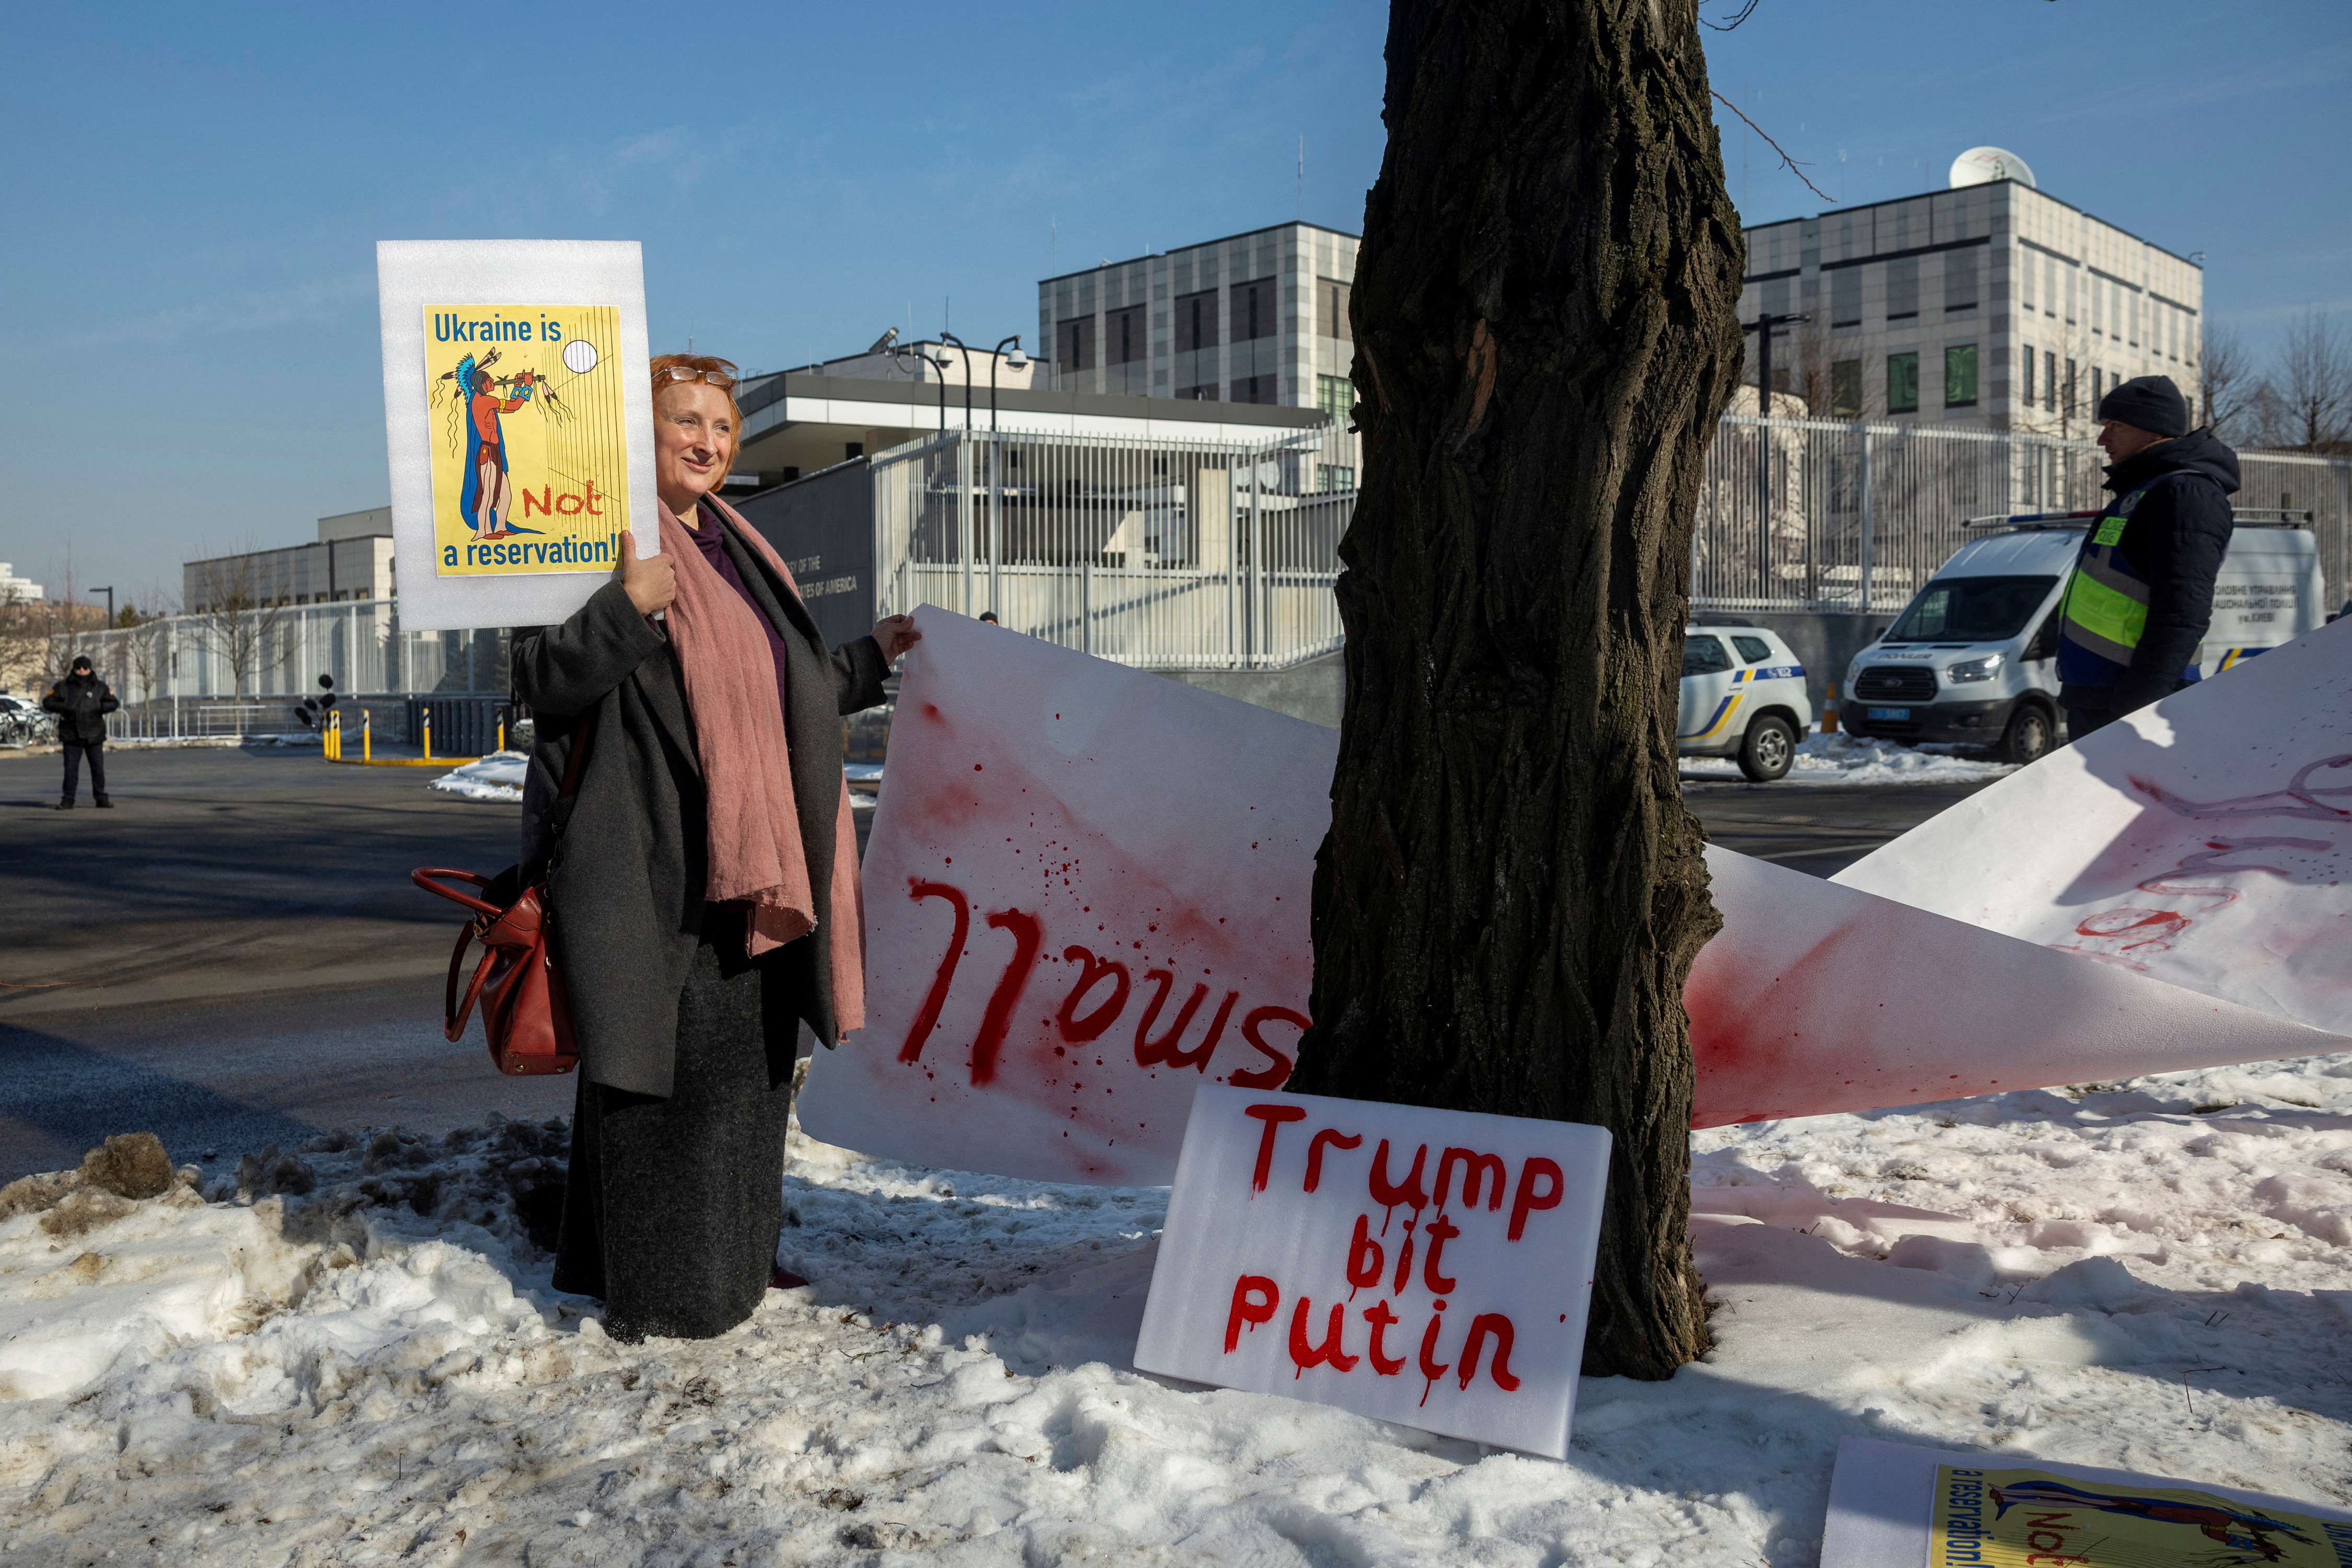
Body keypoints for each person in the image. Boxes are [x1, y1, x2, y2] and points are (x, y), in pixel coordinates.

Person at [513, 353, 918, 1342]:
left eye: (723, 429)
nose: (709, 442)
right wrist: (624, 604)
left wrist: (874, 655)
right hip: (654, 857)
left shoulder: (736, 541)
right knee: (660, 1074)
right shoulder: (591, 537)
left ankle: (733, 1251)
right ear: (634, 436)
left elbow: (783, 686)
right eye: (685, 422)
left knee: (748, 1074)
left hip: (754, 858)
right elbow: (538, 677)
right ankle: (671, 1287)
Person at [2056, 374, 2239, 743]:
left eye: (2115, 426)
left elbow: (2182, 614)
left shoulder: (2185, 494)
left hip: (2132, 705)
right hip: (2101, 698)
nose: (2102, 439)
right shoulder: (2144, 491)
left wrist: (2135, 708)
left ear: (2155, 431)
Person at [42, 655, 118, 809]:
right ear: (74, 669)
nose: (82, 671)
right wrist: (64, 707)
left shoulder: (99, 687)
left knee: (97, 769)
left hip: (94, 733)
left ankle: (101, 798)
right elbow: (48, 702)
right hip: (71, 734)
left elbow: (113, 702)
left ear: (90, 669)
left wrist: (99, 708)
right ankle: (68, 799)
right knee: (71, 770)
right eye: (78, 668)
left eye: (85, 668)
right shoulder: (63, 686)